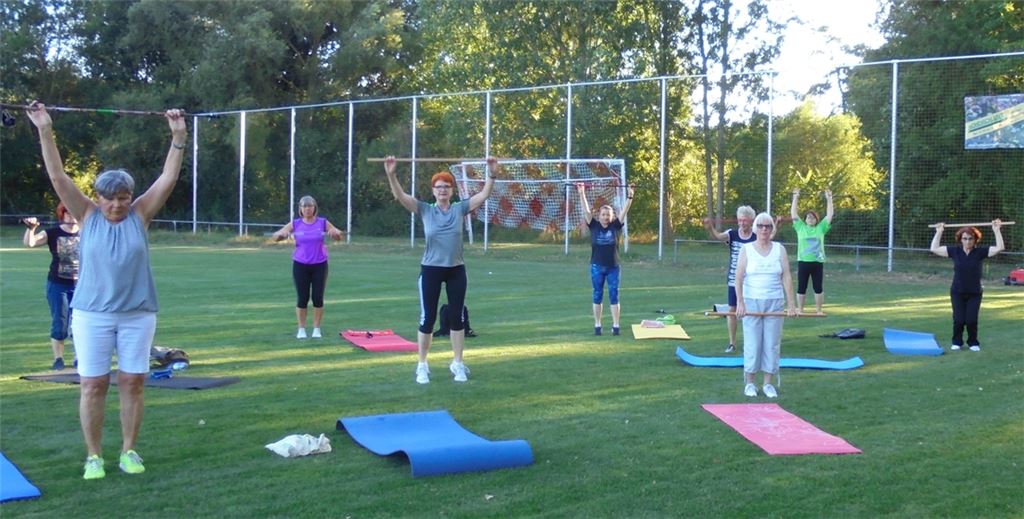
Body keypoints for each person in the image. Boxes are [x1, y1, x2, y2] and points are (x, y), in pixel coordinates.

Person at [27, 101, 187, 480]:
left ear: (129, 197)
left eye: (122, 197)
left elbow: (167, 178)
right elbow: (57, 176)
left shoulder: (140, 213)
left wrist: (178, 137)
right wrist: (45, 130)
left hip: (137, 313)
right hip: (91, 315)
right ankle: (94, 456)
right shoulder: (86, 214)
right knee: (93, 385)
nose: (117, 204)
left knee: (133, 382)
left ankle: (129, 451)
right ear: (98, 198)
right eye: (110, 198)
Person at [383, 155, 496, 383]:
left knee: (457, 318)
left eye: (446, 186)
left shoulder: (459, 209)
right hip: (431, 270)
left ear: (452, 191)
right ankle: (422, 365)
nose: (442, 190)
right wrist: (391, 174)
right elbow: (400, 196)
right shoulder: (425, 210)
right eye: (438, 187)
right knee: (428, 319)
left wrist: (492, 174)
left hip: (456, 270)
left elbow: (483, 195)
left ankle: (458, 363)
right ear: (433, 191)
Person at [735, 212, 796, 399]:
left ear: (772, 229)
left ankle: (768, 383)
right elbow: (738, 277)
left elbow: (786, 276)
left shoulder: (780, 249)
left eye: (768, 226)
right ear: (755, 228)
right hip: (751, 301)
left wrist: (792, 304)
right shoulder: (747, 249)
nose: (764, 229)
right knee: (753, 344)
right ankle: (750, 383)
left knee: (771, 344)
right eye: (761, 226)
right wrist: (740, 302)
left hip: (775, 302)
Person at [272, 196, 344, 339]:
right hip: (300, 265)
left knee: (318, 298)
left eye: (310, 206)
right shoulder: (296, 223)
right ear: (300, 209)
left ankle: (316, 329)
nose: (307, 209)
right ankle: (301, 329)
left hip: (320, 265)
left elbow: (338, 235)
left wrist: (334, 233)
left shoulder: (323, 222)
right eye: (304, 206)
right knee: (302, 298)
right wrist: (282, 235)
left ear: (314, 208)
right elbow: (275, 236)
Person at [929, 220, 1005, 351]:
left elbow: (999, 248)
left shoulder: (980, 252)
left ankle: (973, 342)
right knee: (959, 320)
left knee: (971, 320)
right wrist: (939, 232)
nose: (968, 241)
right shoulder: (955, 251)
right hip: (957, 291)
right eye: (965, 238)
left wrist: (996, 230)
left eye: (971, 238)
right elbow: (934, 249)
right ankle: (957, 342)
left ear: (975, 240)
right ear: (961, 239)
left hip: (975, 293)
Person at [23, 202, 80, 370]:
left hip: (82, 286)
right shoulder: (52, 232)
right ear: (62, 214)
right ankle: (58, 359)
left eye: (74, 213)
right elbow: (30, 243)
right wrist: (31, 228)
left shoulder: (87, 232)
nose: (71, 217)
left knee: (80, 323)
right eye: (68, 213)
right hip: (58, 284)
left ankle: (79, 357)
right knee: (60, 323)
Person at [577, 182, 634, 336]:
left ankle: (616, 326)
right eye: (603, 214)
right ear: (599, 215)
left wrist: (630, 196)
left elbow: (625, 210)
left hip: (613, 267)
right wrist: (581, 193)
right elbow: (586, 210)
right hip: (597, 266)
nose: (605, 217)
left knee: (614, 294)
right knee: (597, 294)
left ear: (611, 216)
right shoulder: (593, 225)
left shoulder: (615, 226)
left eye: (608, 215)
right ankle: (597, 325)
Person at [703, 205, 756, 352]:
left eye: (744, 221)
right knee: (732, 309)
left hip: (752, 281)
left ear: (751, 221)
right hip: (734, 279)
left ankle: (752, 343)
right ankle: (732, 343)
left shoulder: (756, 236)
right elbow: (718, 237)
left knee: (751, 311)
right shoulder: (732, 234)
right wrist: (710, 227)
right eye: (739, 220)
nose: (742, 223)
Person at [790, 188, 833, 314]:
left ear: (816, 220)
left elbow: (829, 215)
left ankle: (819, 310)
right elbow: (793, 214)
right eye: (808, 217)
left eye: (813, 217)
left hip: (817, 262)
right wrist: (795, 197)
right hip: (803, 262)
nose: (810, 218)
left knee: (818, 287)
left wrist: (829, 198)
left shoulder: (821, 228)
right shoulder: (800, 227)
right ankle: (800, 309)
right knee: (801, 287)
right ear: (805, 219)